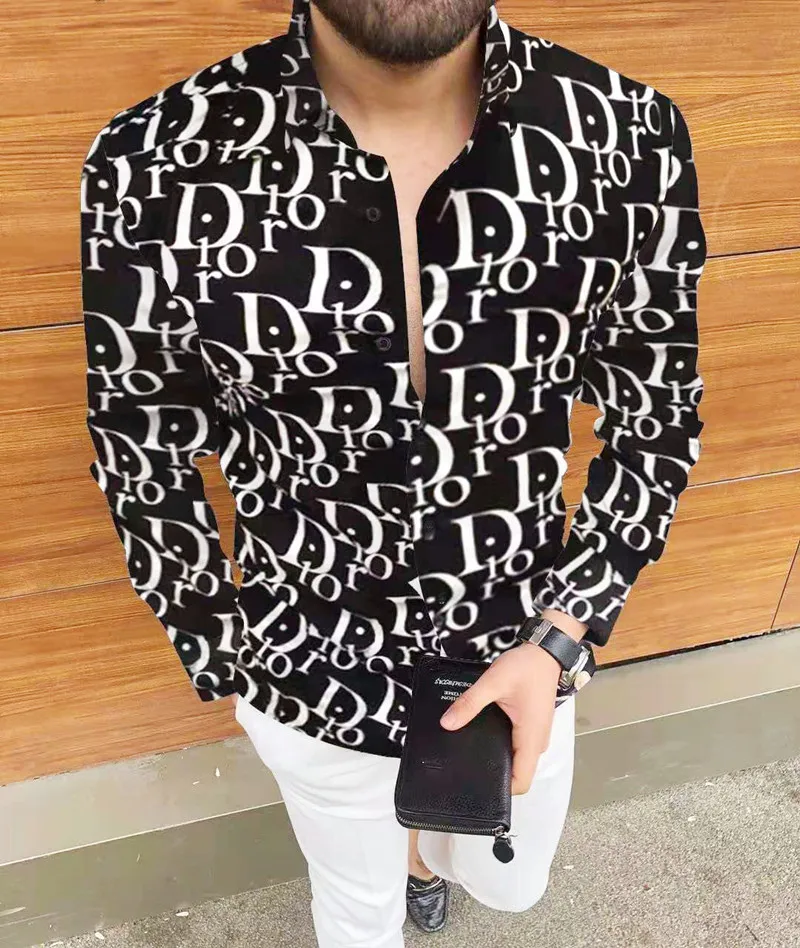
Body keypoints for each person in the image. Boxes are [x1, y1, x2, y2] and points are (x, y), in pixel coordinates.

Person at [80, 0, 706, 944]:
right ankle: (397, 865)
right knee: (355, 915)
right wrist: (227, 653)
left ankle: (424, 856)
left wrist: (564, 635)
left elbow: (655, 411)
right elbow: (142, 440)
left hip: (521, 646)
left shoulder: (626, 134)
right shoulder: (152, 161)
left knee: (510, 886)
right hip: (306, 666)